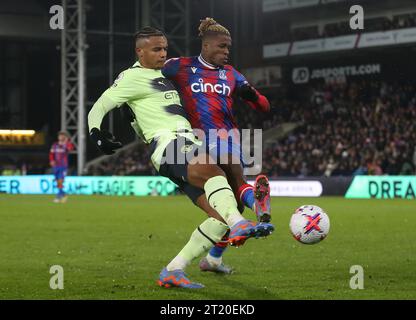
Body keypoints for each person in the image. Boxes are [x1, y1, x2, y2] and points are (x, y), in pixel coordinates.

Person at [87, 27, 274, 289]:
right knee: (214, 173)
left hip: (188, 141)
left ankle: (173, 269)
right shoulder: (131, 77)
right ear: (139, 51)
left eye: (164, 48)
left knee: (219, 218)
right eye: (156, 49)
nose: (163, 53)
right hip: (169, 142)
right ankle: (242, 220)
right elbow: (101, 104)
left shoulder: (165, 75)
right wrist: (95, 132)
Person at [162, 18, 272, 273]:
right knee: (234, 183)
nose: (226, 52)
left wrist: (252, 95)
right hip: (194, 139)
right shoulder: (179, 67)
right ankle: (259, 205)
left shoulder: (232, 74)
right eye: (222, 47)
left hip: (227, 135)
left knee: (233, 204)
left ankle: (213, 259)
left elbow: (264, 107)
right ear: (207, 45)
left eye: (228, 48)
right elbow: (148, 77)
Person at [49, 131, 74, 203]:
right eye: (60, 136)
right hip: (56, 166)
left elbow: (70, 149)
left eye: (62, 136)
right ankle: (64, 194)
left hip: (63, 166)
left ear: (64, 137)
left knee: (60, 181)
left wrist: (66, 142)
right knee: (58, 182)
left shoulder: (66, 145)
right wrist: (51, 160)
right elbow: (51, 154)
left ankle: (58, 197)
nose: (60, 137)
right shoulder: (55, 145)